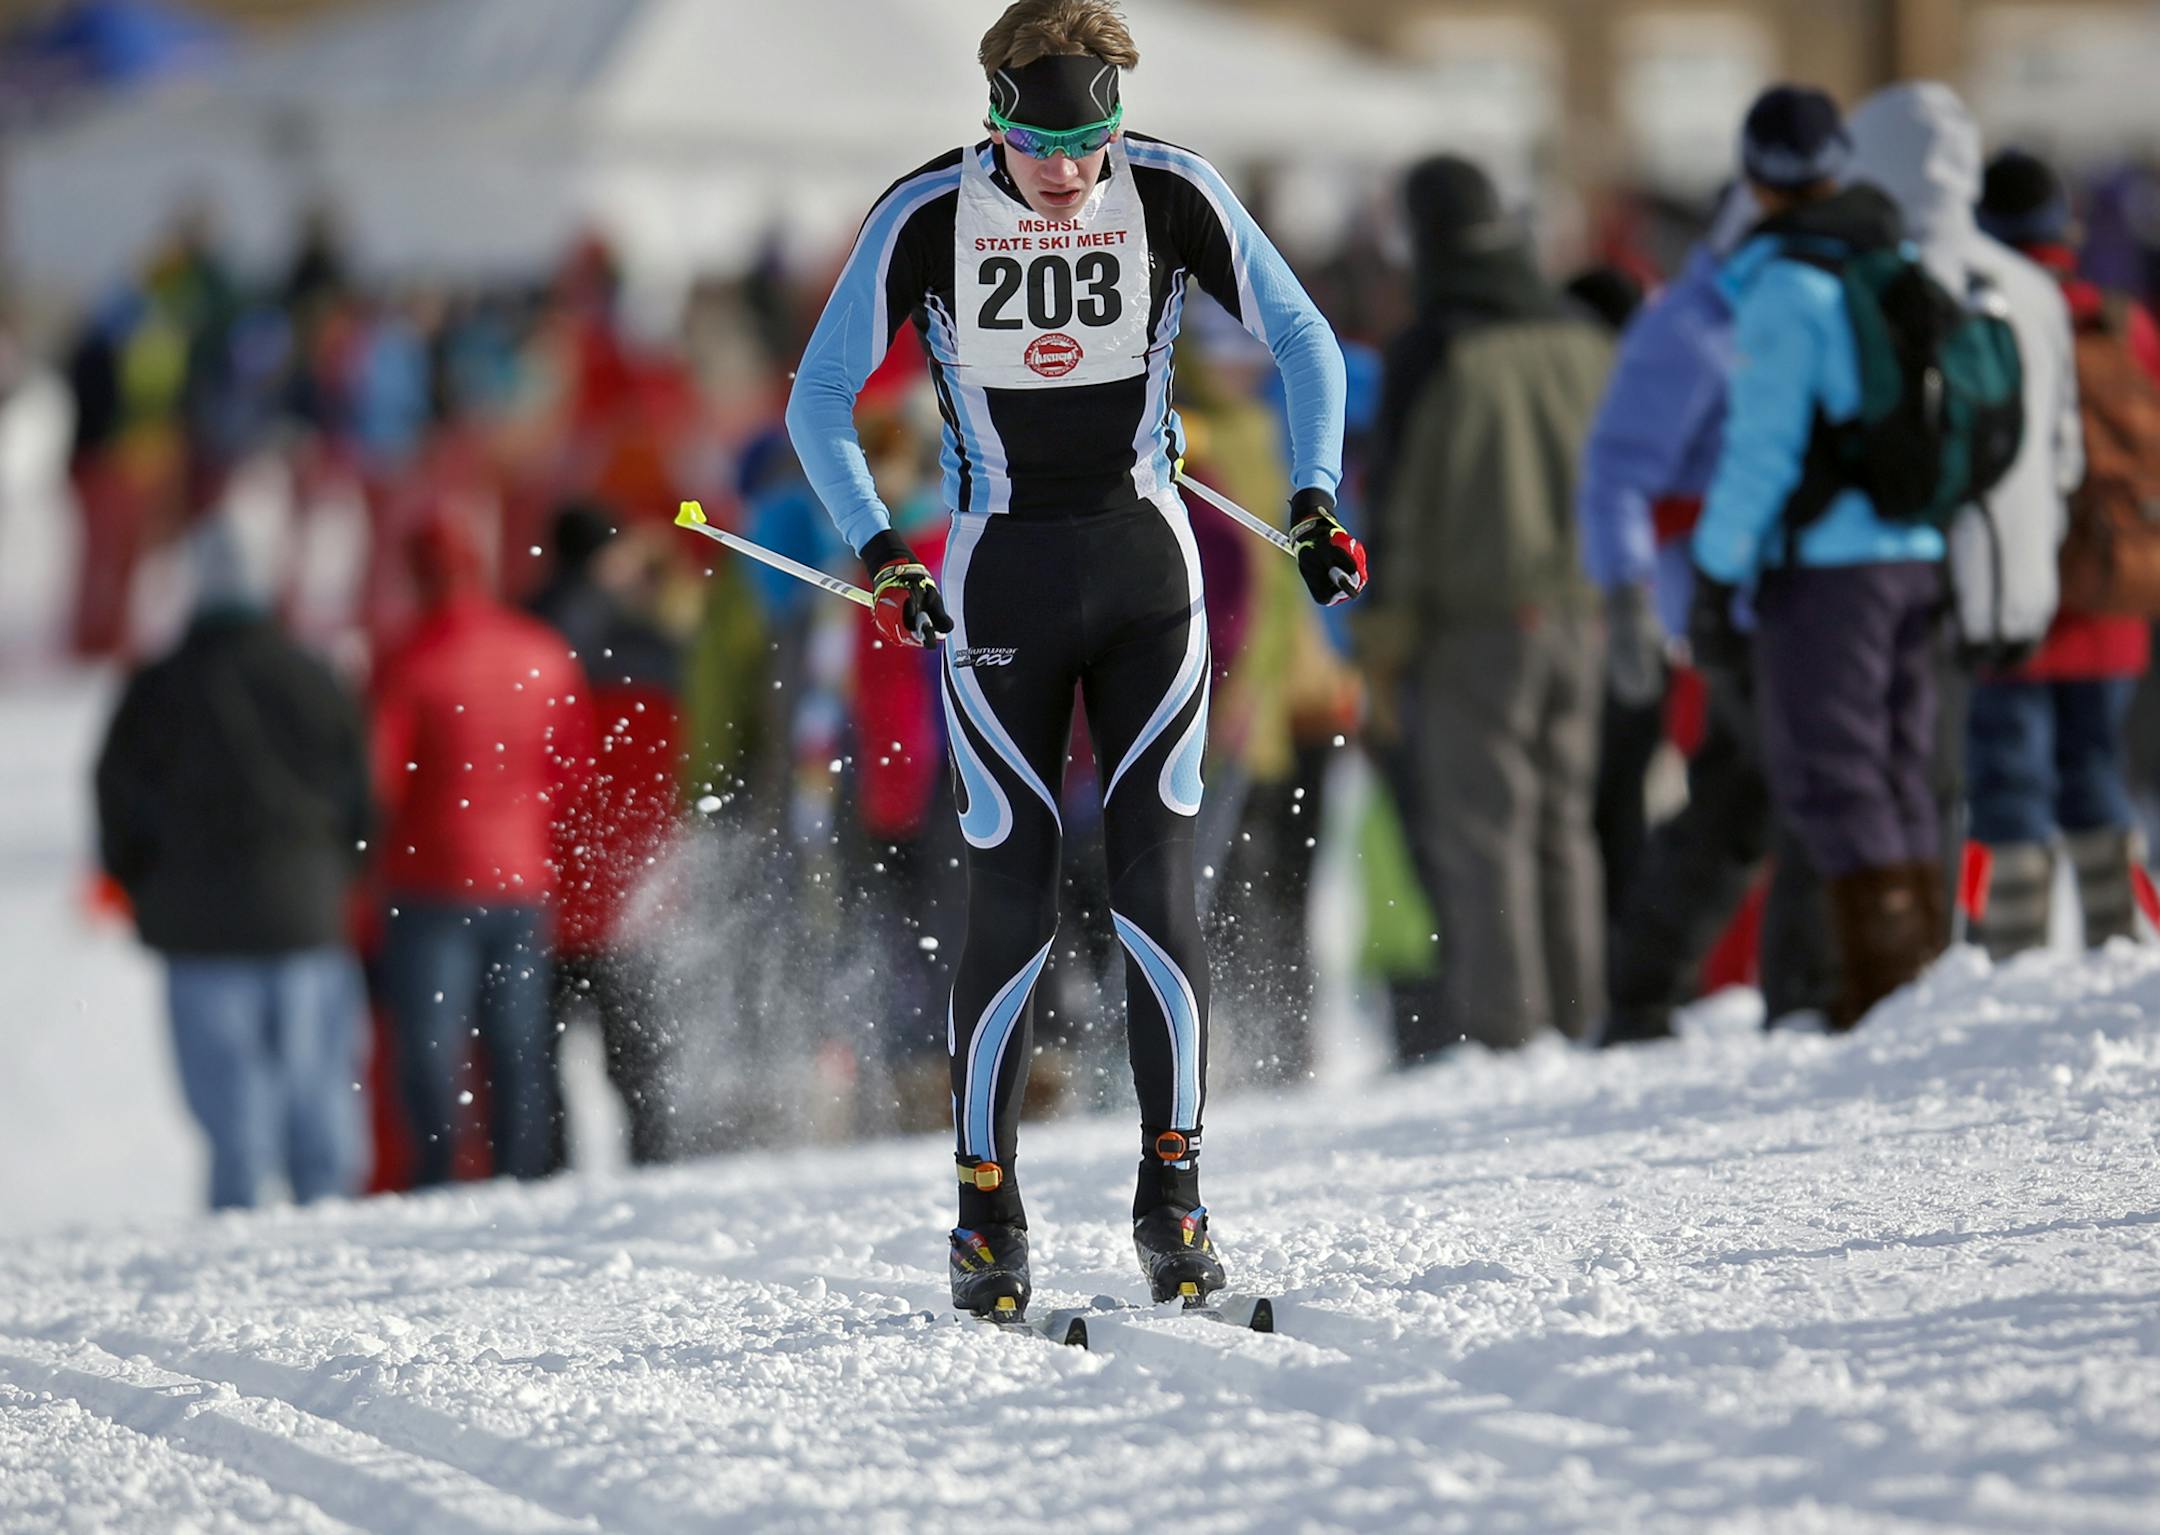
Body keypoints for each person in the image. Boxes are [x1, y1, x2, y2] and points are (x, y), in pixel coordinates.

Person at [782, 0, 1362, 1321]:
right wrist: (882, 549)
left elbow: (1307, 336)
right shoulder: (926, 213)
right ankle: (988, 1210)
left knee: (1164, 884)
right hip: (998, 573)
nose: (1068, 173)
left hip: (1148, 571)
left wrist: (1317, 493)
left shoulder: (1170, 188)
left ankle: (1177, 1198)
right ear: (995, 115)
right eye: (1043, 145)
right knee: (1014, 894)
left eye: (1092, 140)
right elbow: (819, 398)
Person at [1691, 84, 2018, 1029]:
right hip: (1920, 547)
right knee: (1902, 766)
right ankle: (1923, 974)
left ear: (1757, 178)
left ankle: (1889, 989)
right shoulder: (1892, 254)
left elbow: (1762, 452)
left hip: (1834, 571)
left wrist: (1717, 570)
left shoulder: (1788, 284)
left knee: (1835, 771)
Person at [1357, 154, 1613, 1057]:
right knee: (1564, 824)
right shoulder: (1581, 332)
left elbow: (1403, 509)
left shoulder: (1436, 347)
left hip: (1477, 624)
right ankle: (1579, 1021)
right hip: (1585, 611)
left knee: (1484, 832)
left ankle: (1508, 1038)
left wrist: (1381, 643)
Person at [1582, 184, 1840, 1045]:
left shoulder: (1763, 308)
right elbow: (1627, 476)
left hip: (1771, 599)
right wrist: (1632, 599)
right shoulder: (1694, 326)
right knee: (1771, 792)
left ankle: (1665, 991)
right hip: (1720, 609)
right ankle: (1769, 991)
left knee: (1739, 794)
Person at [1845, 86, 2083, 956]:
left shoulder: (1883, 275)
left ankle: (1957, 942)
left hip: (1909, 567)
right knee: (2011, 780)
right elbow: (2065, 449)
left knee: (1929, 776)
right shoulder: (2030, 286)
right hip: (2016, 574)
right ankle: (2015, 942)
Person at [95, 515, 373, 1209]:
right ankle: (334, 1249)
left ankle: (236, 1260)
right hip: (306, 914)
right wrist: (341, 873)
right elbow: (360, 792)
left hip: (200, 928)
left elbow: (116, 798)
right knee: (318, 1110)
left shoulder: (157, 687)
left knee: (235, 1121)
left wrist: (142, 889)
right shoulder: (312, 674)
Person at [1965, 148, 2154, 954]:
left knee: (2009, 785)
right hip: (2117, 596)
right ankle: (2122, 942)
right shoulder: (2124, 322)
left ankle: (2014, 963)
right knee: (2098, 772)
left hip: (2018, 601)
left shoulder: (1985, 317)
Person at [372, 515, 593, 1185]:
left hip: (430, 877)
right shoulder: (542, 650)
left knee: (432, 1048)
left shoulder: (410, 657)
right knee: (519, 1046)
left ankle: (438, 1179)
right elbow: (573, 767)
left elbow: (379, 777)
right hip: (522, 878)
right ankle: (518, 1176)